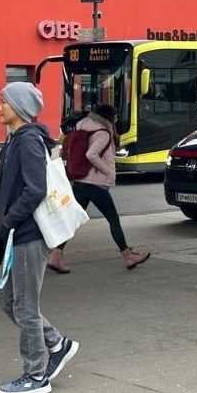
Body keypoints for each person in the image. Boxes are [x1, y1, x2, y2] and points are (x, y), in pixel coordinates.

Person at [0, 81, 79, 393]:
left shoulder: (26, 141)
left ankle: (36, 375)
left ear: (19, 107)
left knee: (25, 306)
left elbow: (35, 189)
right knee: (6, 299)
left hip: (28, 234)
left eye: (3, 101)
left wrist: (10, 219)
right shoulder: (17, 139)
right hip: (18, 235)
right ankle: (56, 342)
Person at [47, 103, 149, 274]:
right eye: (115, 116)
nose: (116, 120)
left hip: (80, 182)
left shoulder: (84, 127)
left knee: (72, 220)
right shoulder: (102, 132)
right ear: (109, 117)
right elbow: (91, 154)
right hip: (95, 184)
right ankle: (128, 256)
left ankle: (56, 256)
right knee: (113, 220)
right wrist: (107, 170)